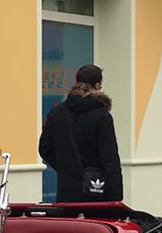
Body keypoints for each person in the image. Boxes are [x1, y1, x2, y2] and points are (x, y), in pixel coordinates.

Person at [38, 63, 123, 203]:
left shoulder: (57, 113)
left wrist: (66, 167)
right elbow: (110, 161)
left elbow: (45, 149)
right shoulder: (102, 117)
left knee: (71, 225)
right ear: (97, 86)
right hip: (97, 192)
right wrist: (116, 198)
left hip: (66, 192)